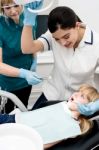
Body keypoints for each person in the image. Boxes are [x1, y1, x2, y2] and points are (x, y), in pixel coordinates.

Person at [21, 5, 99, 110]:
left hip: (78, 102)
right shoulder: (54, 34)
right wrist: (28, 22)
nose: (62, 43)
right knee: (31, 124)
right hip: (51, 95)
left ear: (77, 25)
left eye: (66, 37)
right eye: (57, 39)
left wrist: (97, 104)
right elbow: (27, 48)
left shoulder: (96, 44)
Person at [0, 84, 99, 149]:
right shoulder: (63, 105)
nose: (76, 94)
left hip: (20, 137)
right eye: (78, 91)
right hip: (14, 120)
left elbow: (46, 143)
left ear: (89, 107)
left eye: (82, 96)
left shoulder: (72, 126)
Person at [0, 0, 43, 113]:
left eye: (16, 6)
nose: (13, 11)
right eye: (8, 8)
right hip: (7, 81)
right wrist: (23, 73)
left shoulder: (29, 17)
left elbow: (32, 42)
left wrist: (34, 60)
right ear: (2, 8)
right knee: (7, 113)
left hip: (26, 79)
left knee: (23, 108)